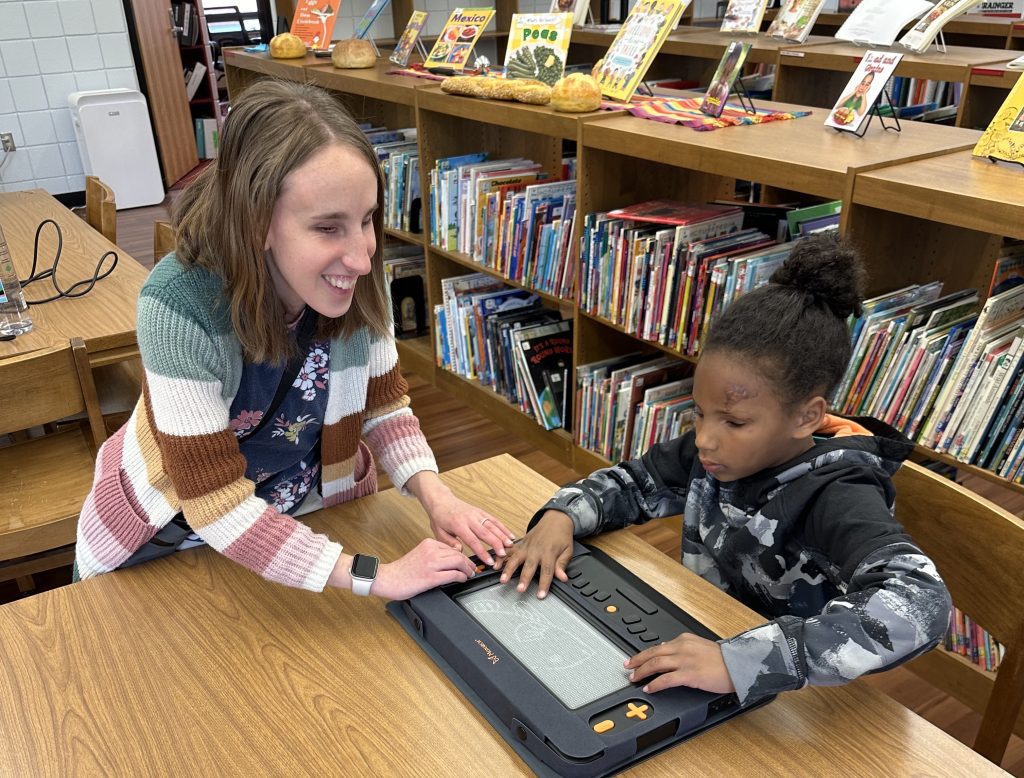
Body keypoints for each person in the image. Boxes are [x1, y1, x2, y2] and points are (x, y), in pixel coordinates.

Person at [74, 80, 514, 599]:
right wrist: (377, 575)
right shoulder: (178, 306)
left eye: (367, 219)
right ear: (257, 221)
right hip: (163, 539)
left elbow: (385, 410)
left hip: (303, 524)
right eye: (328, 228)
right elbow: (213, 500)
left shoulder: (357, 281)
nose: (361, 257)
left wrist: (437, 496)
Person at [497, 234, 952, 706]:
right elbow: (634, 483)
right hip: (701, 632)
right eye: (699, 412)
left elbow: (923, 604)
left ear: (805, 417)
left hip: (794, 698)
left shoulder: (839, 491)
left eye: (734, 421)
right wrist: (562, 517)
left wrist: (743, 662)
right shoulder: (716, 453)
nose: (704, 439)